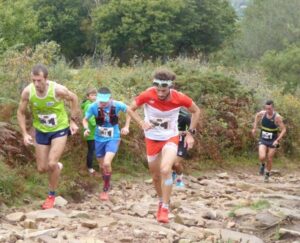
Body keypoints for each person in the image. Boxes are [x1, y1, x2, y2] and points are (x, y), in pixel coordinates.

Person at [129, 68, 201, 223]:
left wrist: (189, 133)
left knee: (165, 169)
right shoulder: (148, 94)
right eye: (158, 90)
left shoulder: (179, 97)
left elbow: (196, 111)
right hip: (152, 139)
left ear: (170, 87)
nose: (160, 93)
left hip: (170, 137)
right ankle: (161, 201)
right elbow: (130, 108)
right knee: (155, 177)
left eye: (164, 90)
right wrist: (141, 122)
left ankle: (165, 208)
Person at [17, 64, 79, 209]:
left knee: (51, 163)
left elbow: (74, 99)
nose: (36, 84)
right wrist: (25, 133)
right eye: (34, 80)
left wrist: (73, 121)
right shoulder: (28, 92)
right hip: (41, 130)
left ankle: (51, 196)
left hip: (59, 128)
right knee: (42, 168)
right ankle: (58, 166)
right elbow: (20, 112)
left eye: (39, 80)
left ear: (46, 79)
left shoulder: (57, 90)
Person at [82, 87, 133, 201]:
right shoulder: (93, 106)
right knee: (102, 166)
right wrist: (86, 129)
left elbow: (130, 111)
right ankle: (106, 179)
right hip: (99, 138)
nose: (102, 103)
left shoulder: (117, 104)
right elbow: (85, 119)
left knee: (106, 163)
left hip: (113, 137)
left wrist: (126, 126)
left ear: (111, 98)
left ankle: (105, 189)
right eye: (101, 101)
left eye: (105, 101)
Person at [252, 100, 286, 182]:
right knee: (262, 157)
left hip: (273, 141)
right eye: (266, 108)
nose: (268, 110)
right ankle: (262, 165)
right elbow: (256, 116)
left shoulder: (277, 117)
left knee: (270, 158)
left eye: (269, 109)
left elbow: (284, 129)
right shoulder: (262, 113)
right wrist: (254, 128)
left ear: (273, 108)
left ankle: (267, 175)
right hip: (263, 139)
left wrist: (277, 140)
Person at [172, 108, 191, 187]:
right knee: (168, 162)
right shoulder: (165, 113)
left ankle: (179, 179)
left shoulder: (185, 116)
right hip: (169, 141)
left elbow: (192, 130)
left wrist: (181, 132)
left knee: (176, 163)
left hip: (181, 142)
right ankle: (172, 173)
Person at [81, 88, 97, 174]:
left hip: (94, 132)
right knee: (91, 149)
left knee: (94, 149)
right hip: (90, 132)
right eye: (92, 95)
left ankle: (93, 165)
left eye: (95, 95)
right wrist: (99, 123)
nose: (94, 97)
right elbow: (91, 119)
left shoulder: (93, 104)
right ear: (88, 97)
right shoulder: (88, 105)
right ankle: (90, 167)